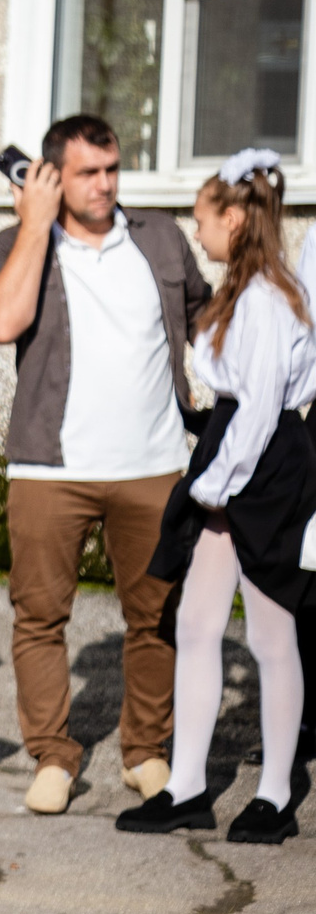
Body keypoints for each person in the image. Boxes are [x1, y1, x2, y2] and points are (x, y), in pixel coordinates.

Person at [0, 113, 208, 816]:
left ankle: (145, 750)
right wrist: (34, 226)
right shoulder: (14, 245)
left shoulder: (160, 239)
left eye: (112, 170)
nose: (105, 185)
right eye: (88, 173)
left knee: (156, 616)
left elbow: (206, 318)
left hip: (155, 462)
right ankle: (52, 754)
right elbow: (0, 324)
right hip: (52, 465)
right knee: (41, 616)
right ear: (51, 176)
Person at [122, 150, 315, 846]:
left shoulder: (268, 298)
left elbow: (261, 410)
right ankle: (187, 785)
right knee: (199, 624)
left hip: (259, 467)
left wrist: (213, 489)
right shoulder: (242, 292)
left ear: (234, 219)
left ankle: (273, 793)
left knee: (269, 632)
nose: (196, 233)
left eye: (202, 220)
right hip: (233, 455)